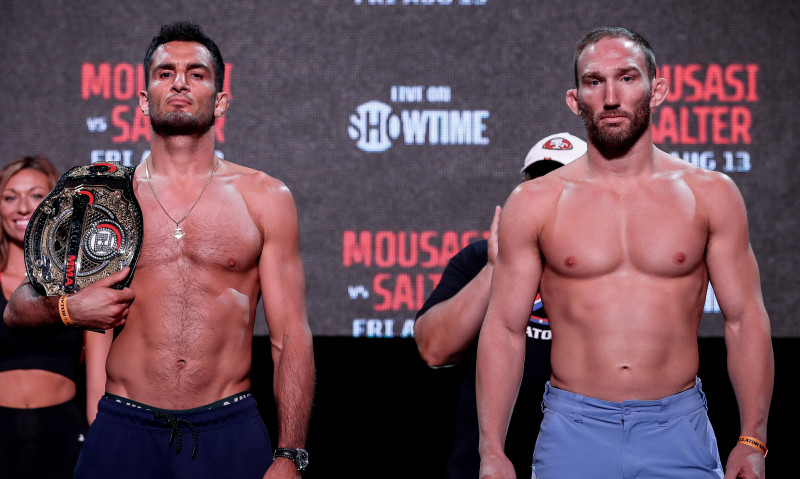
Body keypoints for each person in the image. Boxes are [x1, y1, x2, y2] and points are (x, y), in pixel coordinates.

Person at [4, 22, 315, 479]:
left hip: (227, 427)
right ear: (144, 100)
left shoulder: (266, 198)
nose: (180, 83)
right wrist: (69, 308)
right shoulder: (102, 199)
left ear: (221, 100)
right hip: (124, 427)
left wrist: (290, 453)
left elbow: (291, 338)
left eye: (196, 73)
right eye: (165, 73)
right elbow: (17, 309)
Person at [475, 27, 773, 479]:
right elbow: (504, 328)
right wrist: (492, 450)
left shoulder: (710, 195)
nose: (611, 97)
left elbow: (745, 318)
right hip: (574, 429)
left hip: (679, 428)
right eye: (595, 82)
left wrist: (753, 439)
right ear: (575, 100)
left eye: (627, 78)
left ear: (658, 90)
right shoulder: (535, 202)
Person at [414, 132, 586, 479]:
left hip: (577, 461)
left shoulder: (609, 271)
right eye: (537, 183)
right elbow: (434, 350)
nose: (547, 197)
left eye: (562, 186)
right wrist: (495, 268)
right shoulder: (479, 259)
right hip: (485, 466)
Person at [0, 156, 93, 479]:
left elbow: (99, 385)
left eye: (36, 195)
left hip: (64, 434)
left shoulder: (82, 282)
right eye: (10, 197)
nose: (23, 207)